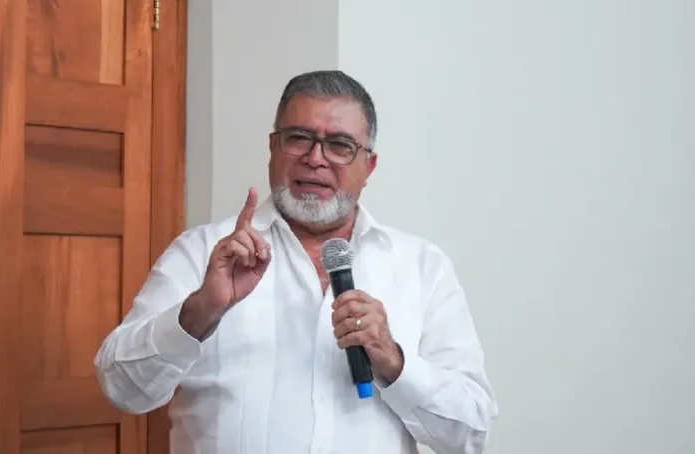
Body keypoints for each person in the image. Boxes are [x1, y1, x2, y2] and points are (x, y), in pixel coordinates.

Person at [94, 70, 498, 454]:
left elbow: (468, 434)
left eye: (340, 145)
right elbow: (122, 389)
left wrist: (393, 360)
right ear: (273, 147)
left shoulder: (421, 267)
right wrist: (200, 310)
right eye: (299, 138)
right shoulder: (201, 251)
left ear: (368, 166)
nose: (315, 158)